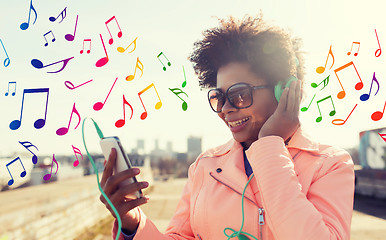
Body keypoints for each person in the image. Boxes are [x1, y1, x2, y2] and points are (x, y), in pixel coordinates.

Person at [100, 15, 355, 240]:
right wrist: (134, 224)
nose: (225, 108)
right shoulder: (205, 167)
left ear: (284, 90)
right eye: (218, 97)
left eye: (239, 94)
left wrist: (268, 144)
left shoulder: (329, 164)